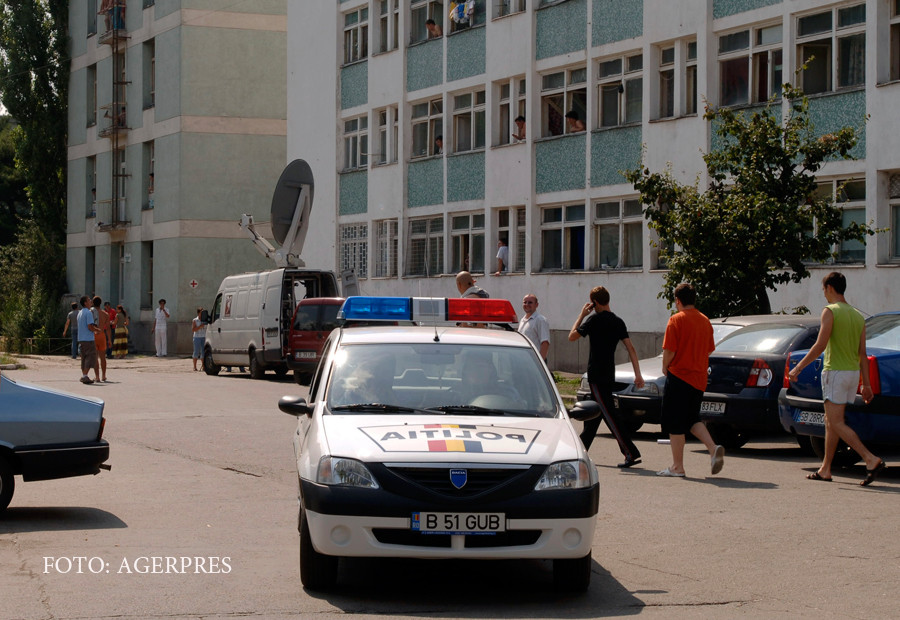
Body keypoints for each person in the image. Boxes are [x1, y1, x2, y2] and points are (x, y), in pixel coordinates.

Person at [788, 272, 885, 485]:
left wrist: (798, 368)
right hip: (852, 374)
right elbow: (863, 353)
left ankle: (870, 459)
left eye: (824, 290)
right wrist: (866, 384)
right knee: (830, 422)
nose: (824, 294)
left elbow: (820, 345)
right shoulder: (858, 316)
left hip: (835, 372)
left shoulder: (830, 311)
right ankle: (826, 469)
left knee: (835, 421)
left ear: (830, 288)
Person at [568, 286, 645, 467]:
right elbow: (631, 349)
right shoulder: (618, 321)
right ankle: (578, 452)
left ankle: (631, 452)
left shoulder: (593, 320)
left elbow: (572, 336)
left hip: (596, 375)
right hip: (608, 374)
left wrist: (581, 315)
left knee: (609, 414)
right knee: (593, 416)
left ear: (594, 303)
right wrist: (638, 375)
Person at [657, 283, 724, 477]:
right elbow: (710, 349)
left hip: (679, 376)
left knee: (675, 422)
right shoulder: (704, 320)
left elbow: (669, 349)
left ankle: (677, 467)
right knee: (692, 418)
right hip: (699, 378)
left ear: (678, 301)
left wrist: (665, 367)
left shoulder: (676, 320)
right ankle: (713, 449)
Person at [518, 294, 550, 362]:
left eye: (530, 302)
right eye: (525, 302)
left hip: (534, 362)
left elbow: (545, 343)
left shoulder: (540, 320)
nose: (527, 304)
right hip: (523, 360)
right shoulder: (522, 320)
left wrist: (540, 363)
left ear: (536, 305)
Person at [76, 296, 100, 384]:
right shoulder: (89, 313)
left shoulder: (80, 313)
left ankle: (84, 375)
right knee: (90, 357)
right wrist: (97, 330)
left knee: (84, 358)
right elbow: (90, 326)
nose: (91, 301)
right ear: (85, 303)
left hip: (81, 338)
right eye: (89, 300)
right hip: (88, 339)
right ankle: (85, 376)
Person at [92, 296, 110, 382]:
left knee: (95, 357)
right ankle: (104, 375)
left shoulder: (90, 312)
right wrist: (109, 339)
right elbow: (108, 328)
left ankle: (97, 376)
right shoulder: (105, 314)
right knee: (103, 357)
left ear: (92, 302)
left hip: (93, 335)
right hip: (102, 335)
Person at [192, 307, 206, 371]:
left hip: (203, 337)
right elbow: (193, 329)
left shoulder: (205, 320)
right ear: (198, 313)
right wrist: (200, 326)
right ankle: (194, 366)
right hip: (197, 337)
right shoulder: (195, 320)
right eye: (201, 313)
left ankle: (203, 366)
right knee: (196, 352)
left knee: (203, 352)